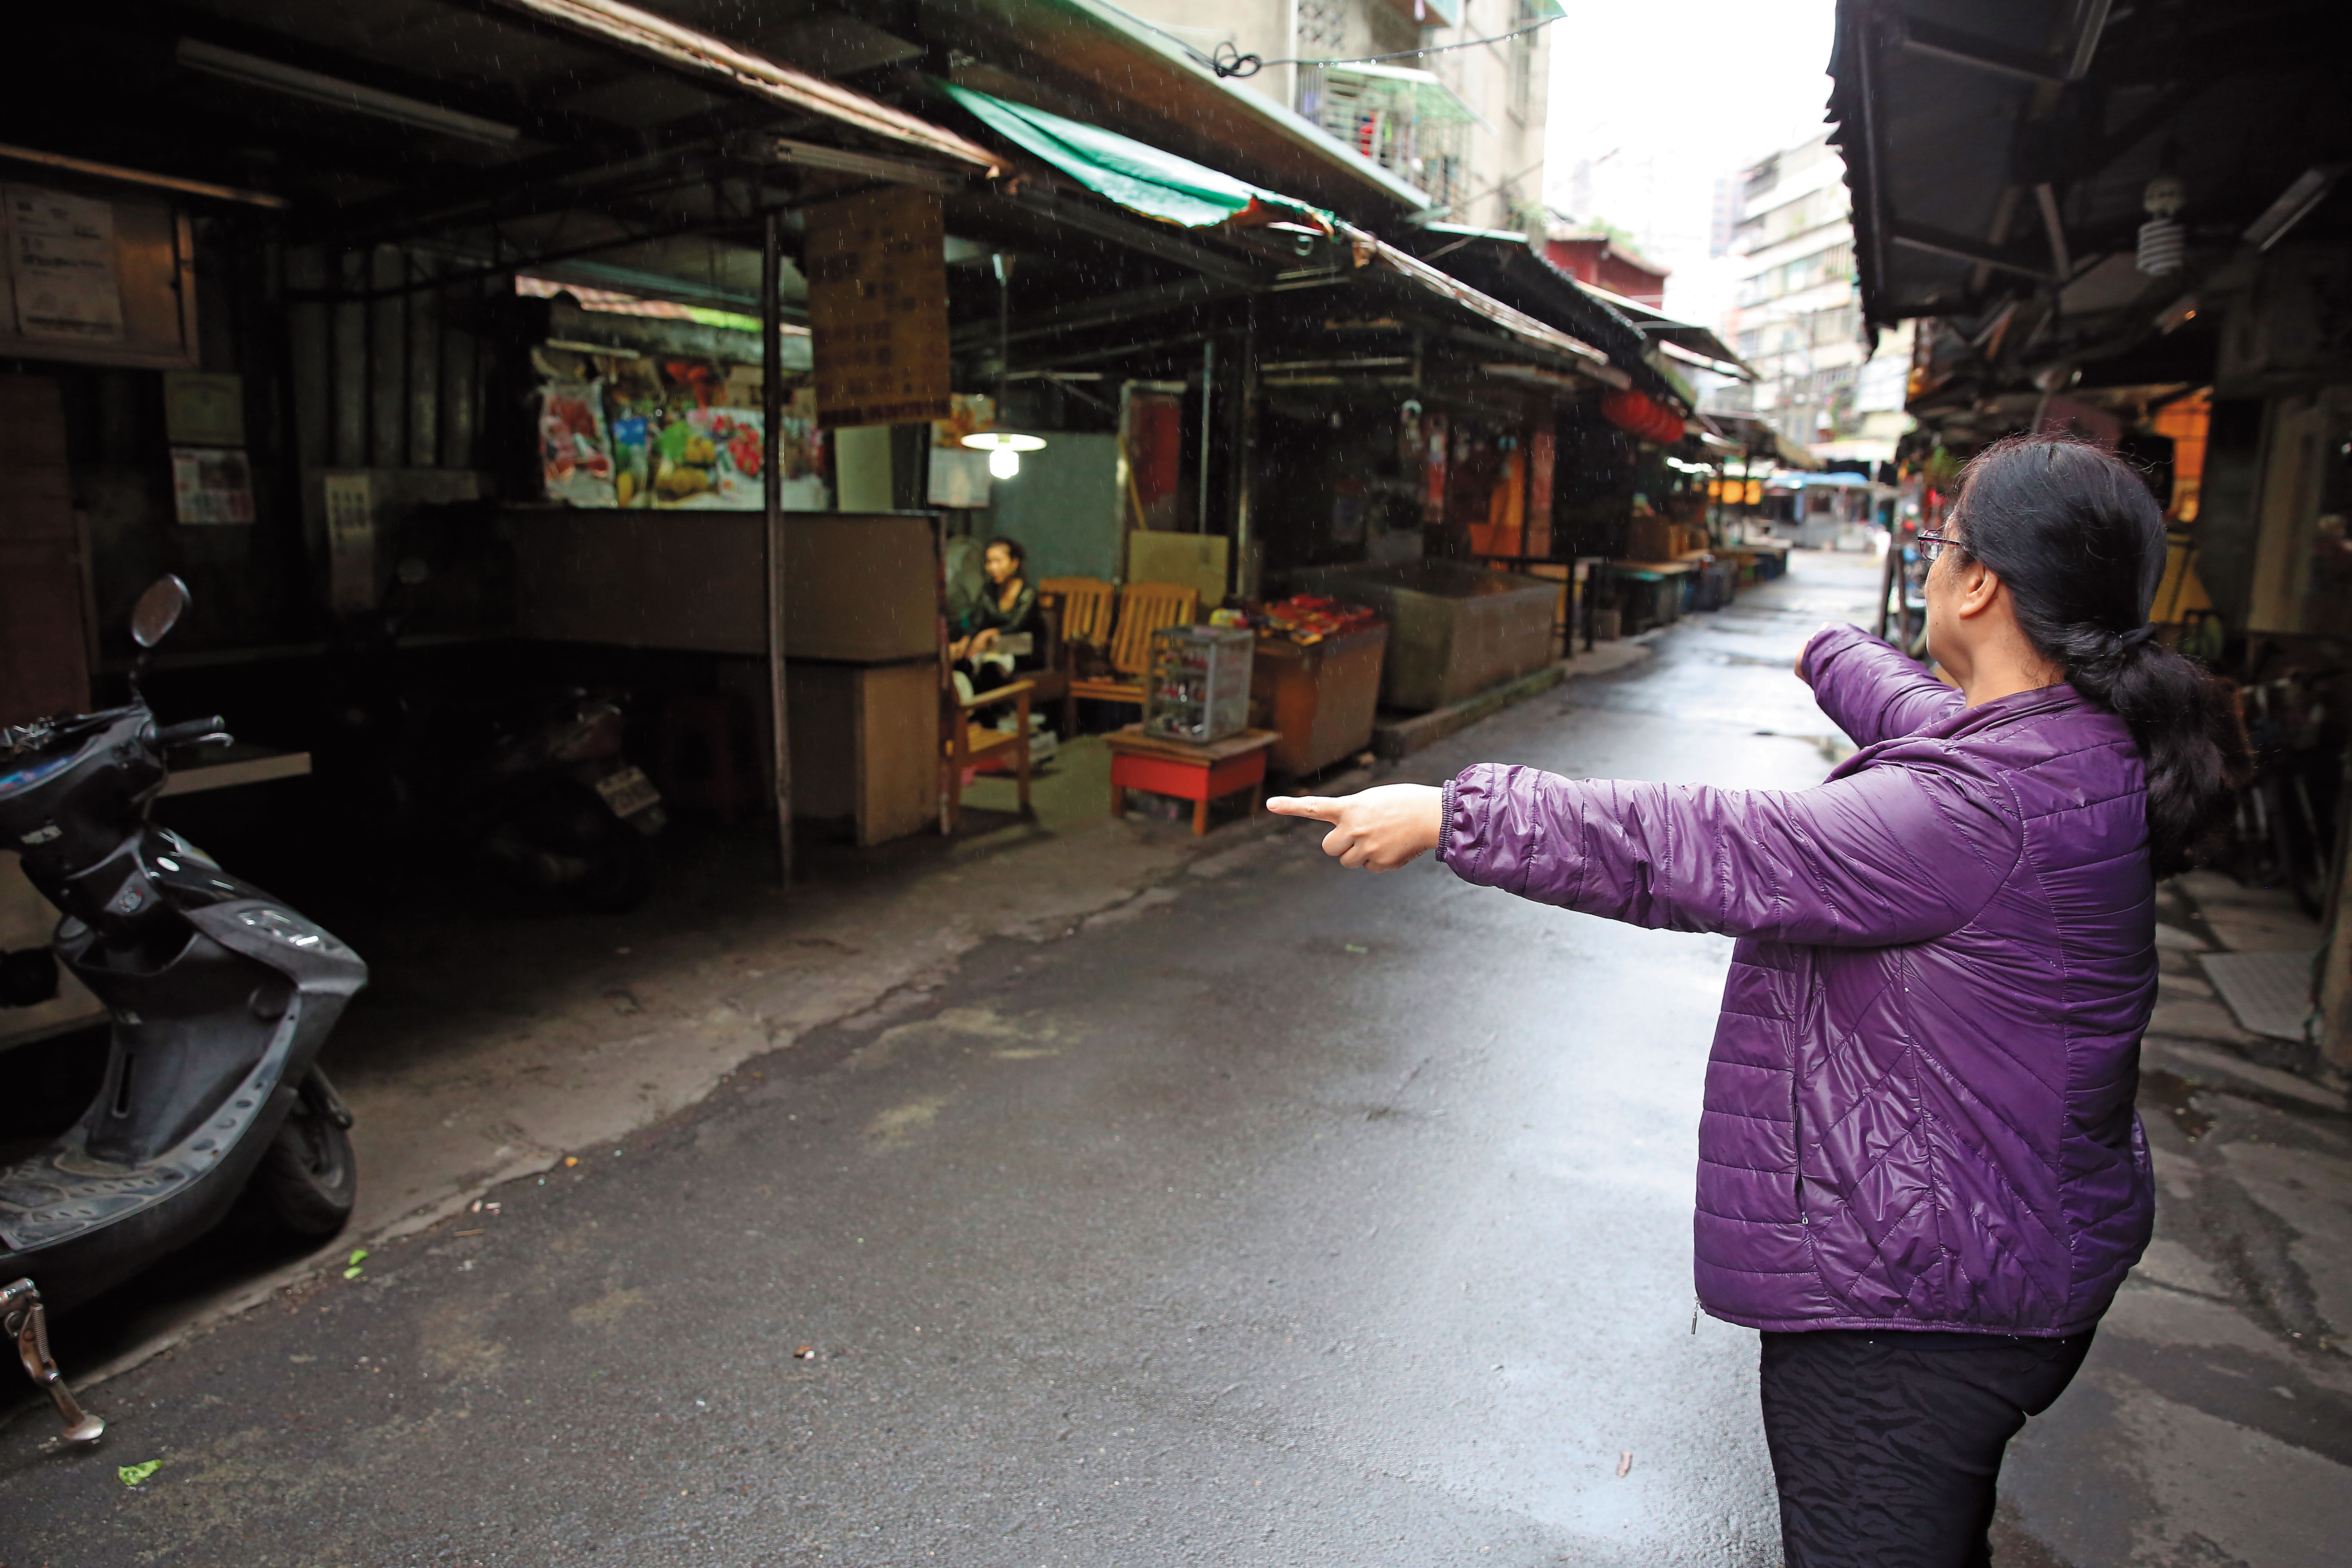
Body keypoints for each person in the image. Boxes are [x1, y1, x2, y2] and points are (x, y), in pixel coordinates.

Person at [1269, 433, 2245, 1568]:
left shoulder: (1977, 812)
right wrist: (1836, 653)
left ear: (1979, 584)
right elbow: (1931, 717)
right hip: (2009, 1253)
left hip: (1912, 1308)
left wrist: (1454, 815)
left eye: (1941, 544)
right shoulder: (2079, 750)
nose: (1929, 565)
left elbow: (1705, 847)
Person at [949, 535, 1038, 687]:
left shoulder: (1028, 594)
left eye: (998, 561)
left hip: (1022, 655)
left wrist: (989, 634)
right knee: (960, 665)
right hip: (991, 651)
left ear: (1014, 563)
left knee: (989, 671)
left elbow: (1016, 625)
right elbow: (976, 620)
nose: (992, 568)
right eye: (989, 562)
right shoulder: (988, 591)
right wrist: (965, 640)